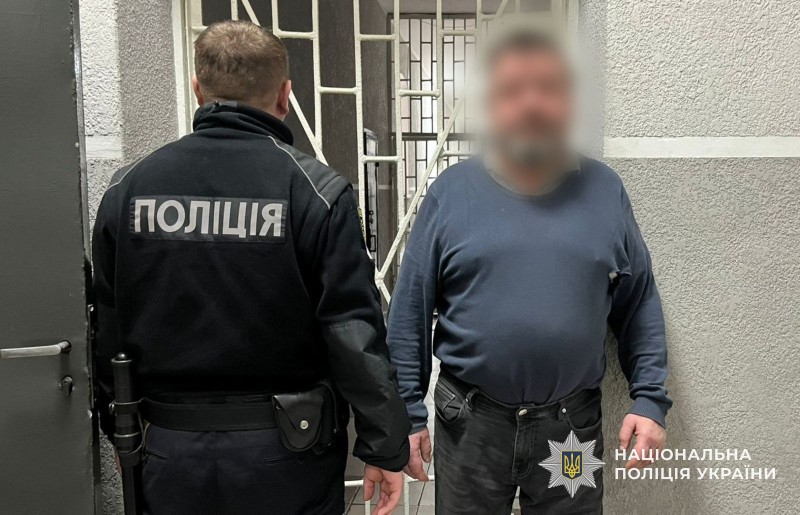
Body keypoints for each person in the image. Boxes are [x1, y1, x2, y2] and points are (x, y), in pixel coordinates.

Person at [92, 20, 409, 515]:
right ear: (285, 95)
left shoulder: (127, 189)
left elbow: (107, 327)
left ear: (198, 90)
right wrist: (384, 445)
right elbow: (352, 333)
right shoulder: (314, 192)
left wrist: (120, 430)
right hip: (288, 452)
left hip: (168, 448)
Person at [387, 29, 672, 514]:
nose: (532, 103)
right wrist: (408, 414)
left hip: (570, 432)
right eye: (513, 89)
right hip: (470, 425)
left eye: (548, 87)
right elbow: (409, 313)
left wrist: (649, 400)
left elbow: (638, 302)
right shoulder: (450, 194)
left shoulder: (606, 191)